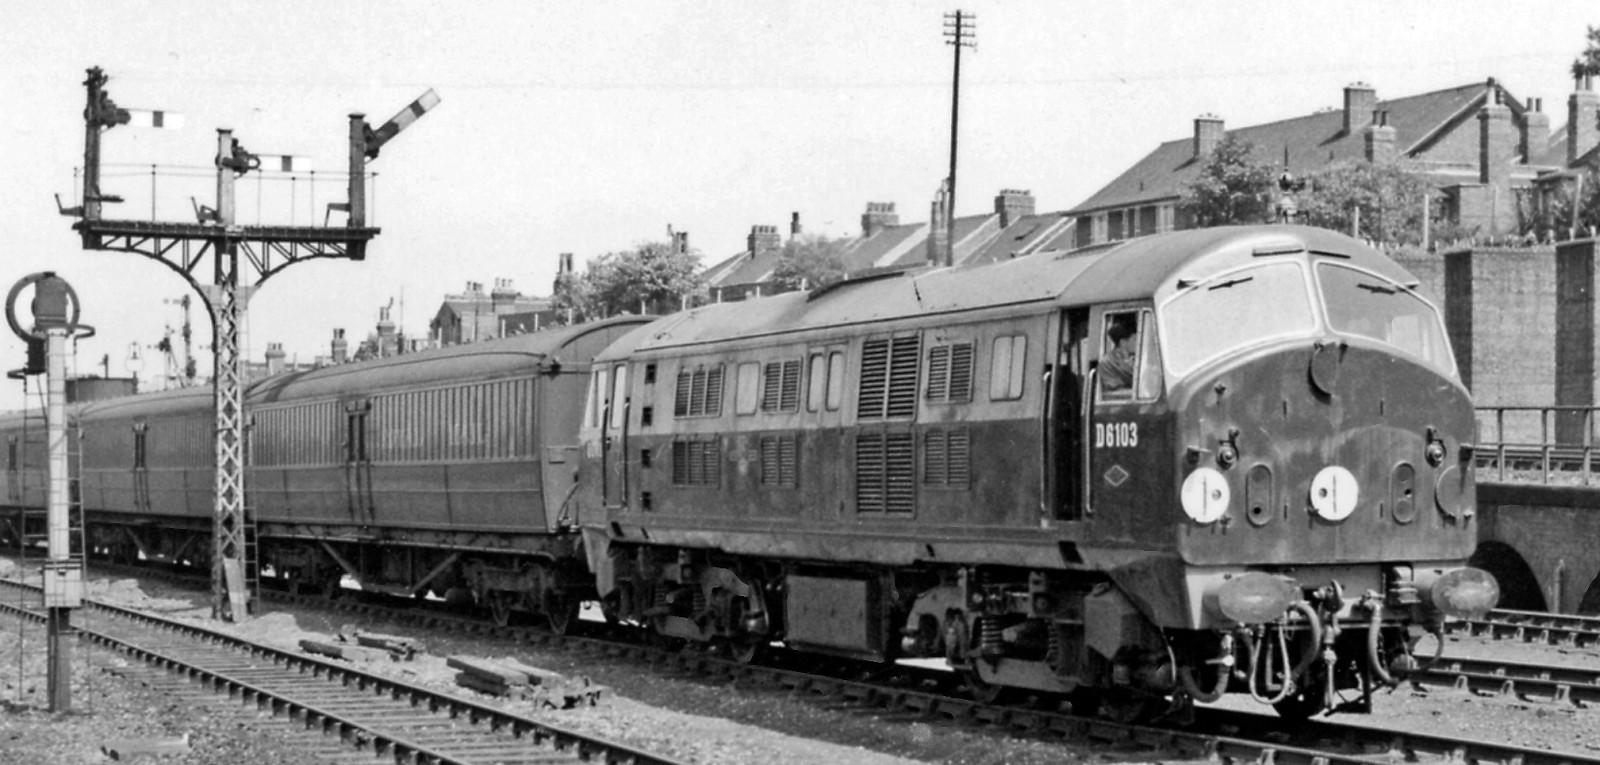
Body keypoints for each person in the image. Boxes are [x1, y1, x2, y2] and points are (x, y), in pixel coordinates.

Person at [1101, 314, 1138, 392]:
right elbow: (1116, 391)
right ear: (1123, 342)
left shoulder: (1136, 358)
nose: (1138, 342)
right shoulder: (1107, 362)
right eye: (1134, 339)